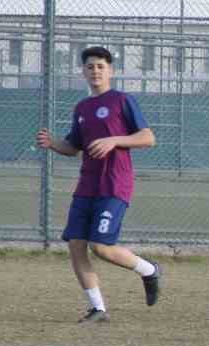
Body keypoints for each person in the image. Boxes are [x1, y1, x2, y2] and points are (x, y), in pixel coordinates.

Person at [35, 45, 161, 323]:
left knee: (101, 247)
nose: (95, 71)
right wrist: (53, 144)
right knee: (77, 246)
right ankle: (98, 309)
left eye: (100, 67)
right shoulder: (82, 107)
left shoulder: (121, 100)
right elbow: (74, 146)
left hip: (114, 185)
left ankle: (149, 270)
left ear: (110, 71)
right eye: (90, 66)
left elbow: (148, 138)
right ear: (83, 71)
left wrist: (115, 139)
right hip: (86, 187)